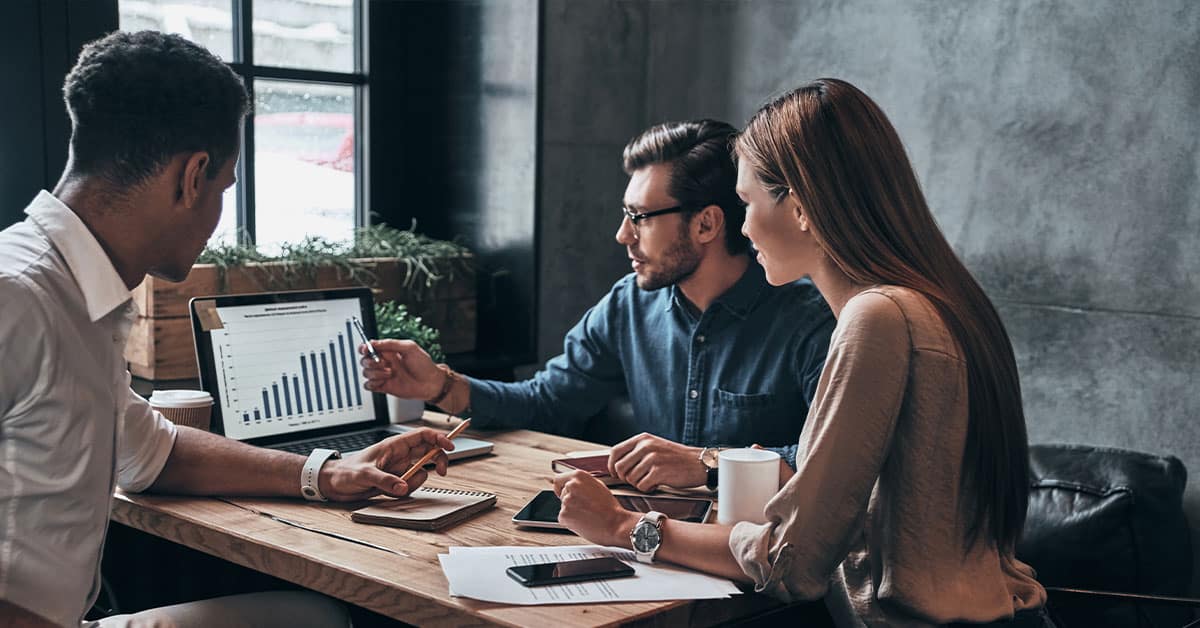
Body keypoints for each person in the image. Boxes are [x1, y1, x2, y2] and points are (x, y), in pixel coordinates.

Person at [552, 79, 1052, 627]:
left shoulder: (877, 319)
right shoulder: (941, 302)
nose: (740, 227)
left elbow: (792, 562)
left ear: (801, 206)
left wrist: (623, 527)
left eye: (746, 202)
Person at [0, 31, 455, 627]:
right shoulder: (18, 296)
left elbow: (152, 453)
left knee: (313, 619)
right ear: (192, 177)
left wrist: (326, 473)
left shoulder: (79, 292)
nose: (217, 216)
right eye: (224, 187)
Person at [362, 119, 834, 492]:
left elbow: (828, 466)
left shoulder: (810, 322)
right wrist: (439, 384)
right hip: (648, 541)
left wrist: (706, 463)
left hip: (759, 565)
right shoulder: (628, 306)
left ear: (707, 225)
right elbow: (548, 402)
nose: (622, 234)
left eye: (639, 218)